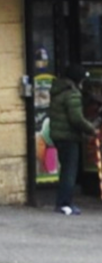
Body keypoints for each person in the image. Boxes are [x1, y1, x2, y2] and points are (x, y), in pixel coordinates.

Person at [48, 63, 96, 215]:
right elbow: (76, 119)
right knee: (69, 171)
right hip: (68, 136)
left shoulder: (59, 91)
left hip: (58, 135)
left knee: (66, 169)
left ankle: (63, 202)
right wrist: (91, 129)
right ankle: (64, 203)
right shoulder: (72, 94)